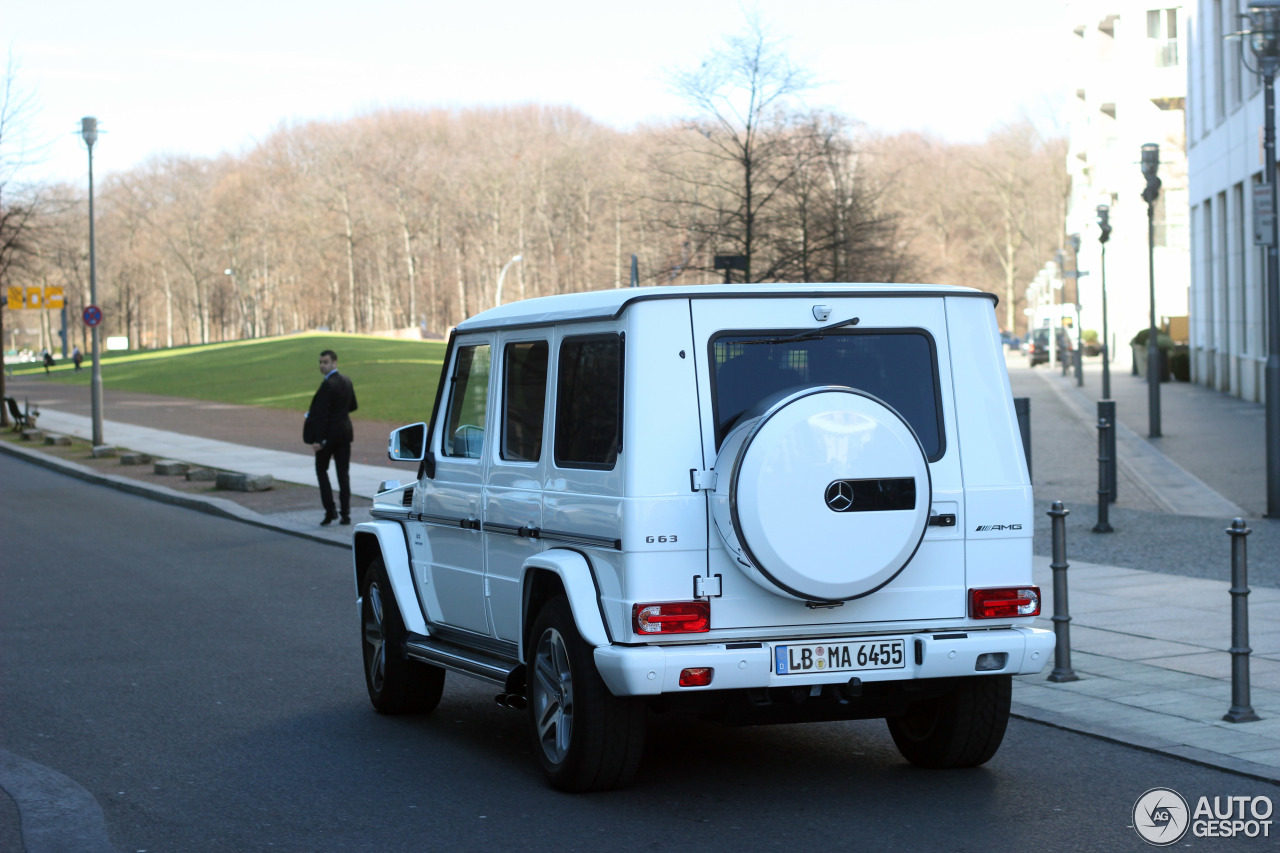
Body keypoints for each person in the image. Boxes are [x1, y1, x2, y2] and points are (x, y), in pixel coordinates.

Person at [304, 349, 358, 526]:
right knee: (343, 475)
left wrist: (318, 440)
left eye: (325, 362)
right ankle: (346, 514)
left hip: (328, 436)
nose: (322, 365)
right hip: (345, 433)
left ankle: (330, 510)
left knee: (321, 471)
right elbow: (353, 406)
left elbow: (321, 415)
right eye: (320, 362)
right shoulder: (347, 381)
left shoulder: (328, 385)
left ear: (334, 362)